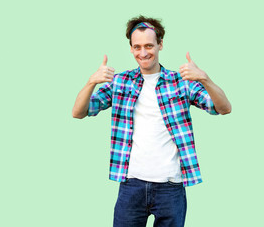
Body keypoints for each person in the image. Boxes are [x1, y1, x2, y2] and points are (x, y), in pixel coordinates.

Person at [72, 15, 231, 227]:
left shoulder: (181, 83)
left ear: (160, 44)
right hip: (131, 184)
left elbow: (223, 108)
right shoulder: (120, 82)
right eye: (137, 47)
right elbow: (78, 112)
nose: (143, 52)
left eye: (149, 45)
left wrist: (204, 78)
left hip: (171, 187)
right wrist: (91, 81)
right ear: (130, 48)